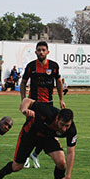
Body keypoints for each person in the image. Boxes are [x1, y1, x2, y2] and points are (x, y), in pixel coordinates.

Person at [0, 98, 77, 179]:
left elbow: (71, 152)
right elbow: (27, 100)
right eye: (62, 125)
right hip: (30, 134)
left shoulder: (72, 131)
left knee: (61, 162)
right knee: (17, 166)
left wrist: (68, 177)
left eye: (67, 126)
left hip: (47, 138)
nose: (64, 129)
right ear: (57, 118)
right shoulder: (48, 111)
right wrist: (24, 110)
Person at [21, 41, 65, 169]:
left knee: (48, 132)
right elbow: (23, 82)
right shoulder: (31, 66)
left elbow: (58, 82)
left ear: (47, 52)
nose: (41, 52)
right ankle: (25, 158)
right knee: (31, 131)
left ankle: (35, 154)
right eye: (38, 50)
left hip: (48, 105)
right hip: (33, 104)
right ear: (35, 52)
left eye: (43, 50)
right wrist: (24, 99)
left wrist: (61, 99)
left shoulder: (53, 66)